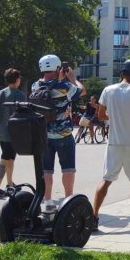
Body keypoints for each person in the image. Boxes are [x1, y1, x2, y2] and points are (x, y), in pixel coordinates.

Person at [92, 60, 130, 231]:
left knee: (106, 179)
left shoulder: (108, 90)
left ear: (122, 73)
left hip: (114, 142)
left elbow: (101, 115)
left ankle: (94, 216)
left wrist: (114, 116)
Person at [32, 54, 85, 212]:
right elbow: (82, 91)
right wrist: (72, 78)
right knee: (68, 168)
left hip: (44, 135)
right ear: (57, 68)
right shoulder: (64, 86)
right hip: (64, 135)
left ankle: (48, 201)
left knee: (47, 170)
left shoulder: (35, 86)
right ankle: (68, 200)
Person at [0, 68, 25, 199]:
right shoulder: (20, 95)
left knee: (9, 158)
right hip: (15, 132)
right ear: (17, 80)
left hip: (2, 132)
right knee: (5, 159)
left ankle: (9, 183)